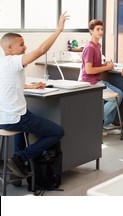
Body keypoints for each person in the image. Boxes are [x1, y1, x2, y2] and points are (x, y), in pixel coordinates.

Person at [0, 12, 68, 178]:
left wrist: (32, 85)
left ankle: (16, 173)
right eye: (21, 44)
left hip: (4, 117)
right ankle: (19, 158)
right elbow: (42, 49)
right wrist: (59, 29)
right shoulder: (14, 61)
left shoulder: (3, 63)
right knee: (57, 132)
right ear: (10, 48)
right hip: (14, 118)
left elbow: (8, 84)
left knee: (24, 125)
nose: (25, 47)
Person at [79, 19, 123, 136]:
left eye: (102, 29)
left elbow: (94, 66)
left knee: (119, 94)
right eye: (97, 29)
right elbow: (88, 70)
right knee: (116, 97)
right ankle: (93, 122)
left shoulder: (97, 45)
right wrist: (106, 68)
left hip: (96, 80)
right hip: (89, 82)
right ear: (91, 31)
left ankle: (106, 124)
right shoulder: (90, 48)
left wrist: (105, 65)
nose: (100, 32)